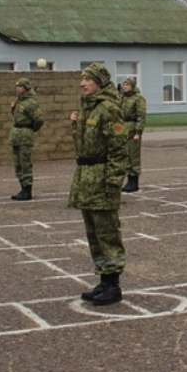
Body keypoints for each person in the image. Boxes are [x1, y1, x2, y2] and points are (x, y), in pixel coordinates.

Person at [69, 62, 129, 304]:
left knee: (107, 233)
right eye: (83, 79)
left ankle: (113, 286)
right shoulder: (88, 108)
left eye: (88, 80)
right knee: (93, 233)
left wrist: (113, 183)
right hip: (86, 178)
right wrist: (75, 125)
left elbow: (118, 149)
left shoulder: (108, 109)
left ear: (99, 82)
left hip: (102, 179)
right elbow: (83, 146)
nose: (83, 84)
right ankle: (103, 280)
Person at [8, 77, 44, 201]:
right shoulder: (19, 101)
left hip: (25, 134)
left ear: (26, 88)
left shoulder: (30, 103)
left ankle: (27, 189)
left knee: (25, 162)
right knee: (17, 162)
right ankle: (22, 186)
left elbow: (39, 119)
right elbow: (18, 118)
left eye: (20, 86)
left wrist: (31, 129)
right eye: (17, 86)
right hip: (16, 134)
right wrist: (13, 109)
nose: (18, 89)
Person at [120, 77, 147, 192]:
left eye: (127, 85)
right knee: (125, 156)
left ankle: (134, 181)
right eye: (124, 84)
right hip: (123, 128)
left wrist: (138, 132)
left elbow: (141, 116)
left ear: (132, 86)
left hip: (132, 127)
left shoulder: (138, 99)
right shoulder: (122, 98)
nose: (125, 87)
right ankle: (129, 180)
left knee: (133, 156)